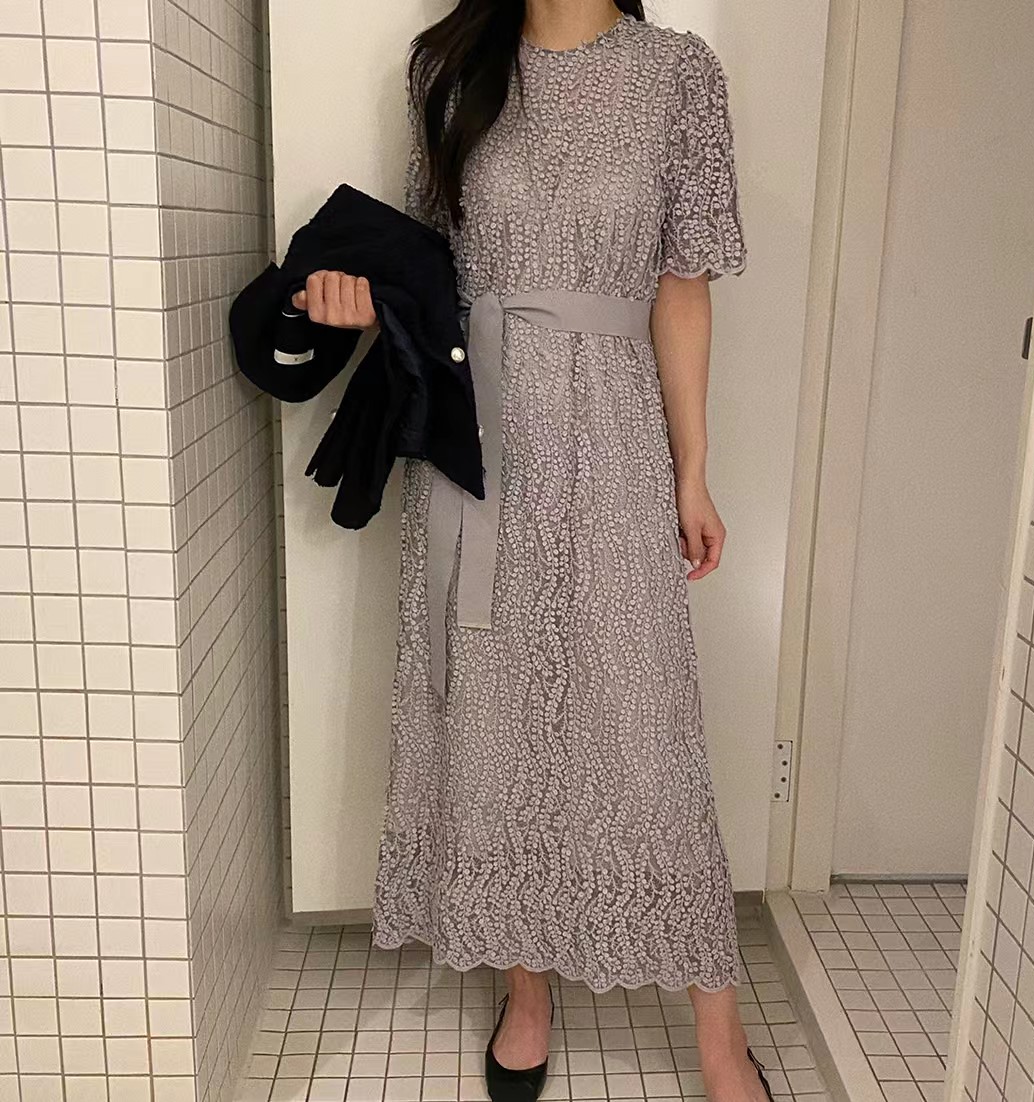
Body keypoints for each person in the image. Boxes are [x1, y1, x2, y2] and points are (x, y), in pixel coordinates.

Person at [291, 3, 766, 1100]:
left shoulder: (677, 73)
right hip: (480, 442)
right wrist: (354, 301)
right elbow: (428, 274)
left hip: (614, 436)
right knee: (495, 711)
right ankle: (527, 992)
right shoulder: (448, 67)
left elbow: (682, 287)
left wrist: (692, 469)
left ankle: (718, 1030)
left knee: (646, 723)